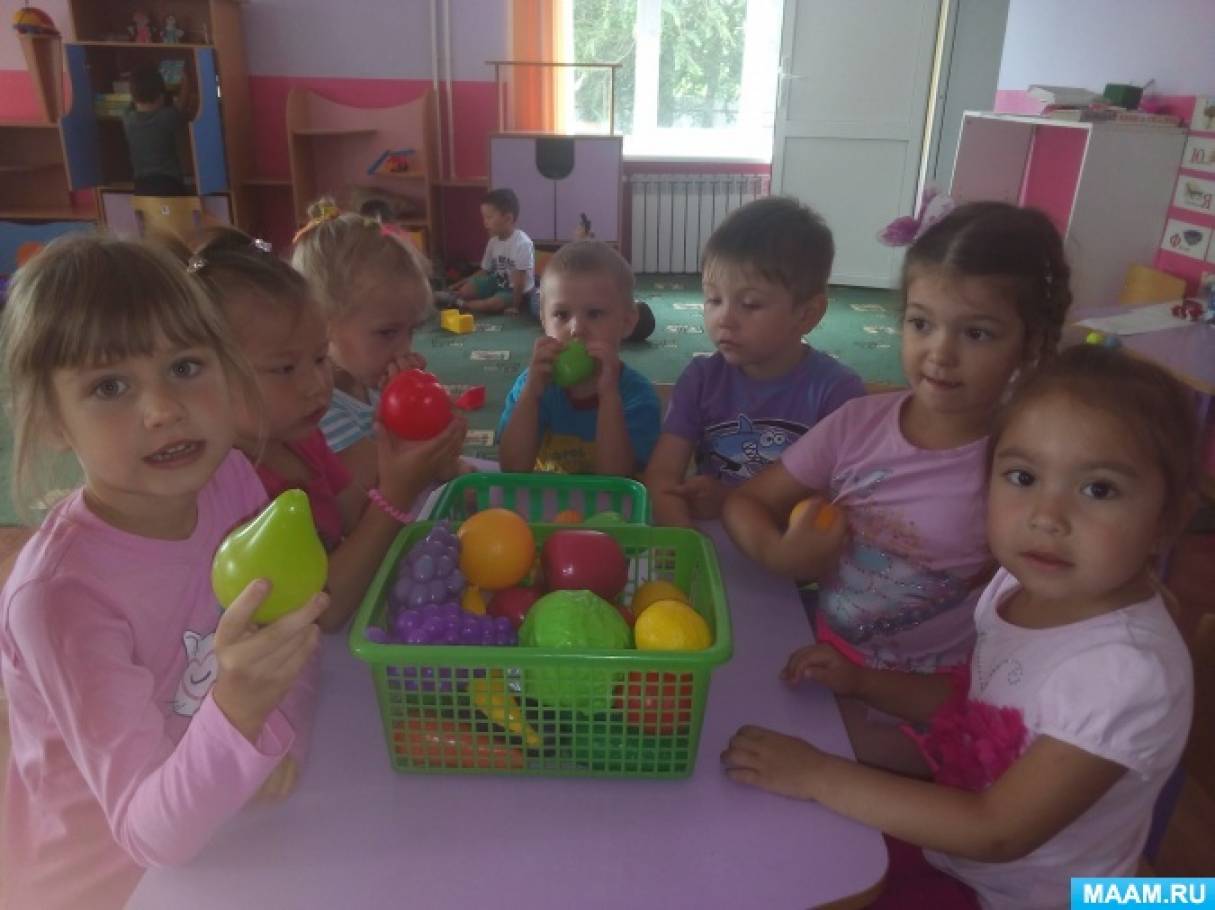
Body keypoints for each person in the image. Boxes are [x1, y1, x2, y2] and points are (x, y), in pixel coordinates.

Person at [723, 345, 1197, 910]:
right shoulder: (1018, 585)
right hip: (956, 850)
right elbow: (982, 704)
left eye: (1099, 489)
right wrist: (864, 682)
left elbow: (997, 830)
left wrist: (817, 775)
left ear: (1169, 519)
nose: (1047, 517)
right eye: (1023, 477)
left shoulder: (1126, 673)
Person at [0, 236, 323, 910]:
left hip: (231, 838)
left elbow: (281, 632)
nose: (163, 409)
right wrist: (241, 712)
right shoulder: (61, 598)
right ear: (53, 420)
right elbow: (148, 837)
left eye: (184, 366)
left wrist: (272, 726)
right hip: (101, 885)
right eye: (109, 386)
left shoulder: (230, 479)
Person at [722, 202, 1072, 768]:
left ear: (1029, 345)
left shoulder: (1022, 472)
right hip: (823, 655)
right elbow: (747, 502)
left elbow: (1035, 641)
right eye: (921, 323)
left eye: (977, 333)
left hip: (931, 703)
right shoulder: (857, 424)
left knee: (790, 770)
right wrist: (779, 554)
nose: (941, 353)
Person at [189, 228, 466, 632]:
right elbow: (320, 609)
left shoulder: (302, 437)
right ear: (204, 376)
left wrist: (409, 450)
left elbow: (350, 519)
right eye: (285, 368)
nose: (317, 385)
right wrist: (397, 493)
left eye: (320, 358)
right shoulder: (230, 484)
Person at [644, 196, 865, 527]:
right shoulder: (701, 378)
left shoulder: (837, 393)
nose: (724, 319)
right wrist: (686, 540)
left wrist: (732, 501)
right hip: (713, 536)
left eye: (749, 304)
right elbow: (662, 476)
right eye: (713, 299)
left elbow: (839, 505)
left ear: (806, 314)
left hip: (790, 545)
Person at [291, 198, 459, 493]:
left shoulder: (373, 385)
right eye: (387, 333)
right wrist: (417, 426)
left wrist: (431, 417)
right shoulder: (320, 411)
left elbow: (443, 469)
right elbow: (383, 490)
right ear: (323, 323)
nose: (404, 350)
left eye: (411, 331)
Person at [497, 240, 660, 475]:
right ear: (544, 320)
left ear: (627, 322)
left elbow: (616, 480)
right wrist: (531, 394)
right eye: (561, 315)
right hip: (545, 499)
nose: (576, 329)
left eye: (594, 314)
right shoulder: (531, 385)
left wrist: (609, 397)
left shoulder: (637, 397)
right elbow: (511, 468)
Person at [451, 187, 536, 315]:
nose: (485, 222)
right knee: (466, 290)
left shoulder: (523, 244)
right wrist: (460, 284)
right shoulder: (493, 241)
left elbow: (519, 282)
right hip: (497, 281)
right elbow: (485, 271)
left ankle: (462, 305)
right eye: (484, 217)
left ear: (508, 218)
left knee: (492, 304)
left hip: (515, 291)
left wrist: (515, 306)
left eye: (489, 217)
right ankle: (455, 297)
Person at [123, 64, 193, 197]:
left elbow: (131, 104)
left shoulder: (128, 119)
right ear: (161, 95)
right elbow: (182, 104)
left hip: (141, 188)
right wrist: (186, 80)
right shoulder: (167, 117)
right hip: (169, 185)